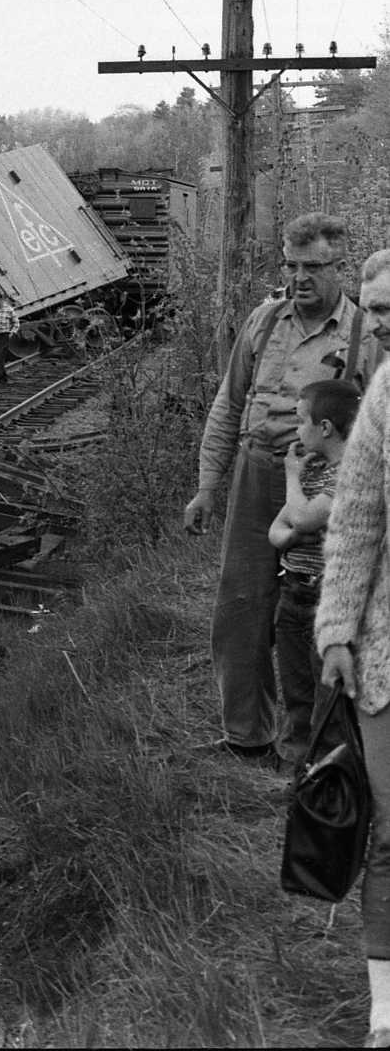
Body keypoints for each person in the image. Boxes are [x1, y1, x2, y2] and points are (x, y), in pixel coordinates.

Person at [182, 212, 379, 762]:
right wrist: (207, 486)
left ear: (338, 265)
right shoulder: (264, 322)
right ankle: (246, 736)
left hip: (328, 491)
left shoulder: (365, 334)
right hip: (257, 475)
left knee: (318, 613)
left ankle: (320, 749)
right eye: (292, 265)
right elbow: (228, 404)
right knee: (241, 609)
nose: (300, 277)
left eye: (313, 266)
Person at [314, 359, 390, 1047]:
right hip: (386, 657)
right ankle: (384, 1014)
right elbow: (357, 518)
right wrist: (337, 630)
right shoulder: (388, 391)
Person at [267, 379, 362, 763]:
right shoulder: (313, 470)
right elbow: (276, 532)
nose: (296, 431)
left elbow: (302, 517)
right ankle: (298, 766)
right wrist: (294, 535)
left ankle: (327, 772)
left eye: (301, 421)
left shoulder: (347, 473)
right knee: (295, 685)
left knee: (327, 694)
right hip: (293, 589)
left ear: (324, 428)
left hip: (328, 597)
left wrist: (292, 479)